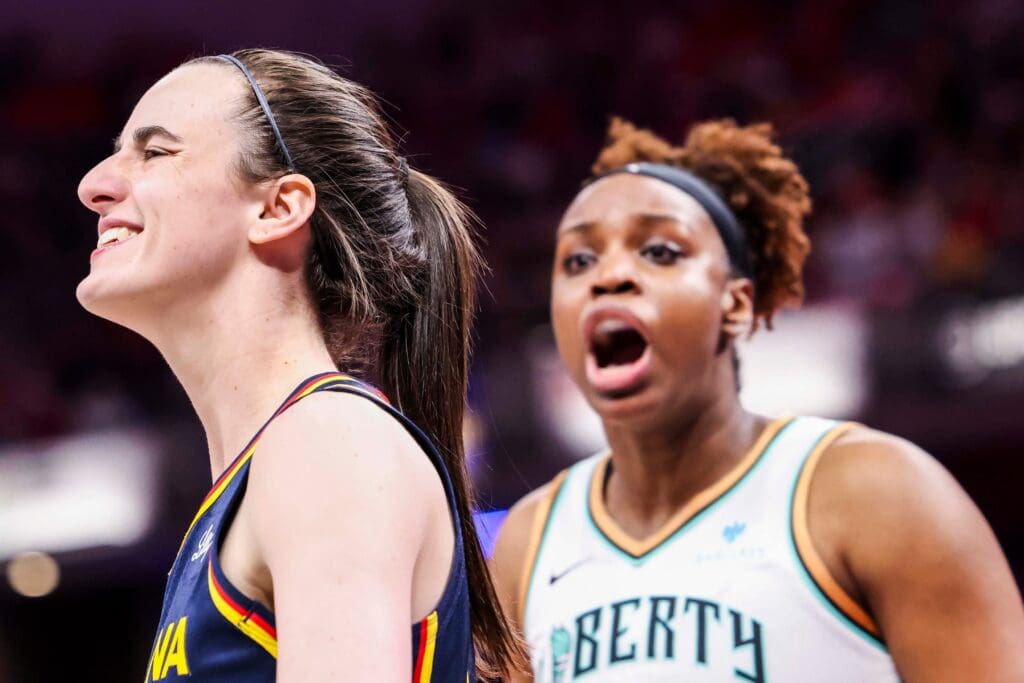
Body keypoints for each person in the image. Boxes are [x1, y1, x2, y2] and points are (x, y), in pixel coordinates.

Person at [491, 118, 1024, 682]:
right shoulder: (527, 544)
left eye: (659, 250)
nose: (609, 275)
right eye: (578, 261)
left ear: (736, 303)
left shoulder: (878, 491)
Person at [75, 49, 522, 682]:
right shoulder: (284, 459)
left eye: (155, 152)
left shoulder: (327, 442)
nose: (93, 184)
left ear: (278, 208)